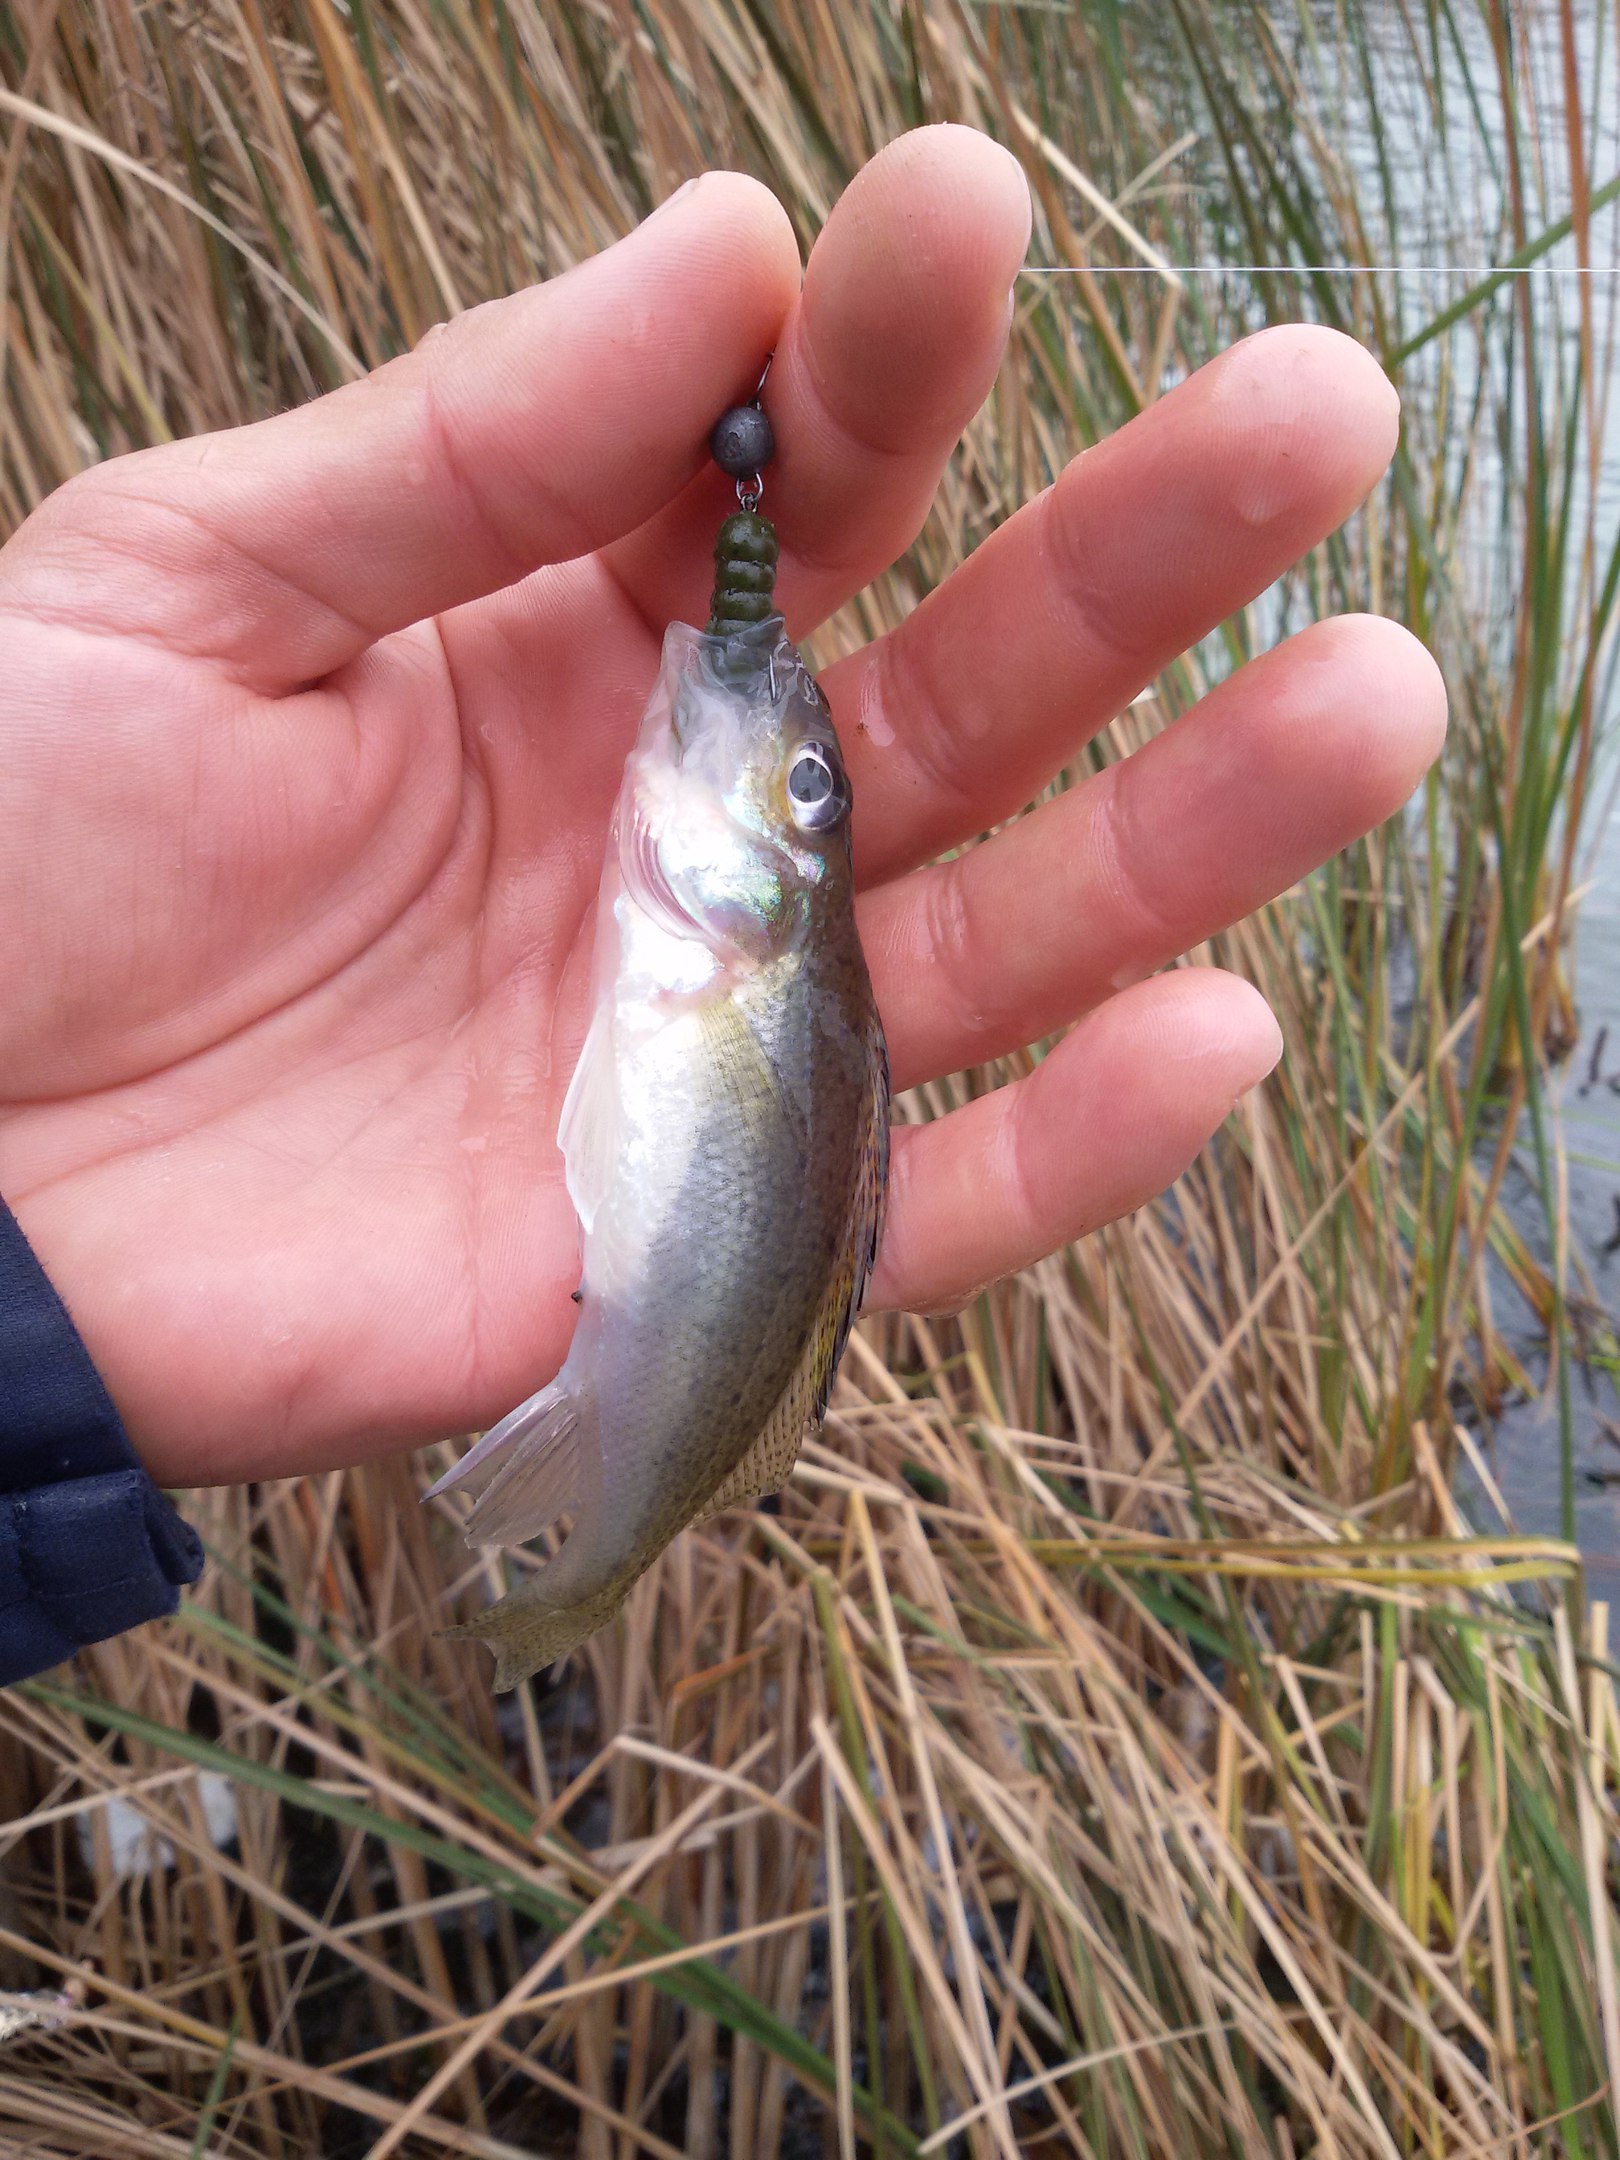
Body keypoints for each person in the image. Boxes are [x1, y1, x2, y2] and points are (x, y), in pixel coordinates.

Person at [0, 127, 1445, 1683]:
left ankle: (585, 1568)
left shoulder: (745, 953)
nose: (791, 775)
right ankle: (577, 1567)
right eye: (812, 792)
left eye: (800, 790)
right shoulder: (722, 933)